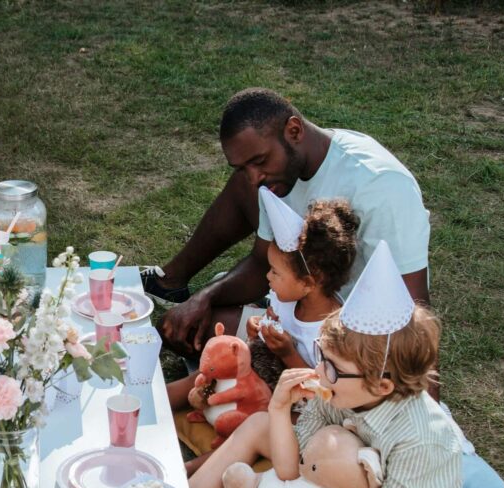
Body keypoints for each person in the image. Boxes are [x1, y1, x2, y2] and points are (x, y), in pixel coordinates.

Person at [189, 242, 460, 488]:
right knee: (258, 425)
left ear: (381, 387)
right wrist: (278, 409)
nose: (318, 370)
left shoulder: (423, 438)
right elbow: (294, 466)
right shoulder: (337, 387)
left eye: (331, 366)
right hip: (330, 480)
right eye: (321, 355)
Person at [148, 89, 432, 367]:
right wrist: (203, 297)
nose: (254, 177)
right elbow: (262, 264)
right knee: (178, 330)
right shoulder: (276, 174)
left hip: (346, 338)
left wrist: (427, 410)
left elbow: (414, 312)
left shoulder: (381, 187)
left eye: (259, 162)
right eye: (242, 167)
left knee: (216, 346)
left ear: (294, 131)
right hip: (294, 304)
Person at [167, 194, 358, 414]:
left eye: (275, 272)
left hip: (297, 408)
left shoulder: (333, 332)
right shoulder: (287, 299)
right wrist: (257, 328)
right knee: (209, 375)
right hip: (258, 381)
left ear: (307, 283)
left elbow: (325, 390)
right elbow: (264, 337)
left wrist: (288, 354)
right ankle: (155, 402)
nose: (268, 276)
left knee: (257, 421)